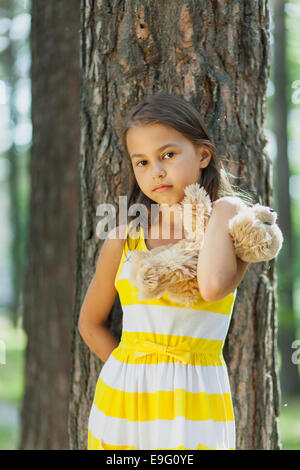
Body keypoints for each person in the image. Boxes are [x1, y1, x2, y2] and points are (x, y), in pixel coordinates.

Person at [78, 92, 254, 450]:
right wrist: (130, 372)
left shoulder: (226, 225)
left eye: (168, 155)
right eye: (141, 162)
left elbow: (213, 286)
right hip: (124, 402)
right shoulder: (123, 239)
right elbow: (90, 323)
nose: (156, 170)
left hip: (195, 406)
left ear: (203, 155)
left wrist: (227, 206)